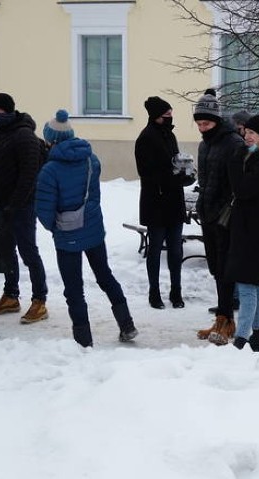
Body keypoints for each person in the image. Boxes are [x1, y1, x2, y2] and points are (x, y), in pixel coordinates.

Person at [35, 110, 138, 347]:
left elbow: (43, 210)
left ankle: (83, 341)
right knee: (105, 276)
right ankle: (127, 325)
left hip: (66, 234)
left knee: (74, 289)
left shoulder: (50, 171)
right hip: (93, 230)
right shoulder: (91, 159)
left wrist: (55, 227)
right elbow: (94, 196)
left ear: (51, 140)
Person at [216, 111, 259, 349]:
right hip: (247, 230)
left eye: (252, 133)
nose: (246, 136)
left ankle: (242, 338)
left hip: (258, 234)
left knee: (246, 285)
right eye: (246, 131)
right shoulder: (254, 158)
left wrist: (235, 163)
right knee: (253, 284)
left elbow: (243, 190)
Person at [0, 93, 49, 324]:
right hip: (2, 205)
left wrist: (16, 204)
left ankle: (40, 300)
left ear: (9, 110)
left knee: (28, 252)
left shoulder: (25, 136)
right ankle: (11, 295)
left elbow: (29, 176)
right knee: (5, 250)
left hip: (23, 206)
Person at [192, 89, 246, 342]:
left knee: (226, 270)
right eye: (199, 123)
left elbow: (237, 184)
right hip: (208, 214)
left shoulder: (233, 142)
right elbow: (205, 180)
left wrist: (226, 210)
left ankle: (228, 321)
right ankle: (221, 318)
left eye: (206, 123)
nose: (202, 128)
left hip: (226, 218)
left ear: (217, 120)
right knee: (216, 268)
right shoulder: (205, 144)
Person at [135, 96, 196, 309]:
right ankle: (154, 293)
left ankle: (176, 292)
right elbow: (146, 172)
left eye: (171, 114)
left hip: (173, 201)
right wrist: (172, 176)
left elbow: (176, 163)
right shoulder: (145, 138)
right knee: (155, 250)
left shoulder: (170, 135)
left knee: (176, 249)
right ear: (155, 116)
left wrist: (186, 173)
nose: (170, 118)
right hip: (156, 201)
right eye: (166, 115)